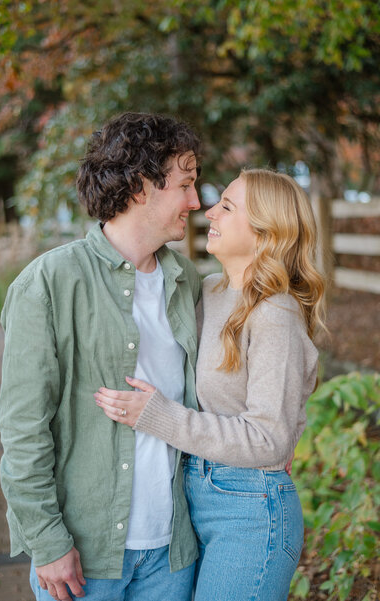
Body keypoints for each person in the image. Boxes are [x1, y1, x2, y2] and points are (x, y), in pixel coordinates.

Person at [0, 112, 203, 601]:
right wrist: (47, 542)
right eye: (185, 185)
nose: (196, 202)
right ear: (139, 187)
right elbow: (24, 429)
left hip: (173, 553)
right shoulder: (49, 284)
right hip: (84, 558)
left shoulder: (188, 282)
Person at [94, 168, 326, 601]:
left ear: (265, 232)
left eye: (227, 206)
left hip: (250, 511)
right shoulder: (208, 291)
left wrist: (158, 417)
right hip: (193, 498)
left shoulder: (276, 315)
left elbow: (267, 438)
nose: (208, 210)